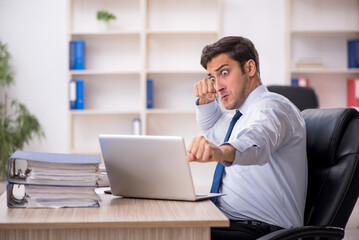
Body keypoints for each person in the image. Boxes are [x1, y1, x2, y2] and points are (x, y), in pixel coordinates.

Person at [186, 36, 308, 240]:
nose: (217, 86)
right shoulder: (242, 116)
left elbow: (256, 143)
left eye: (224, 73)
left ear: (250, 68)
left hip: (264, 231)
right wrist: (206, 102)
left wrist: (220, 151)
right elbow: (212, 130)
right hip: (233, 223)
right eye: (213, 78)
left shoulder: (272, 107)